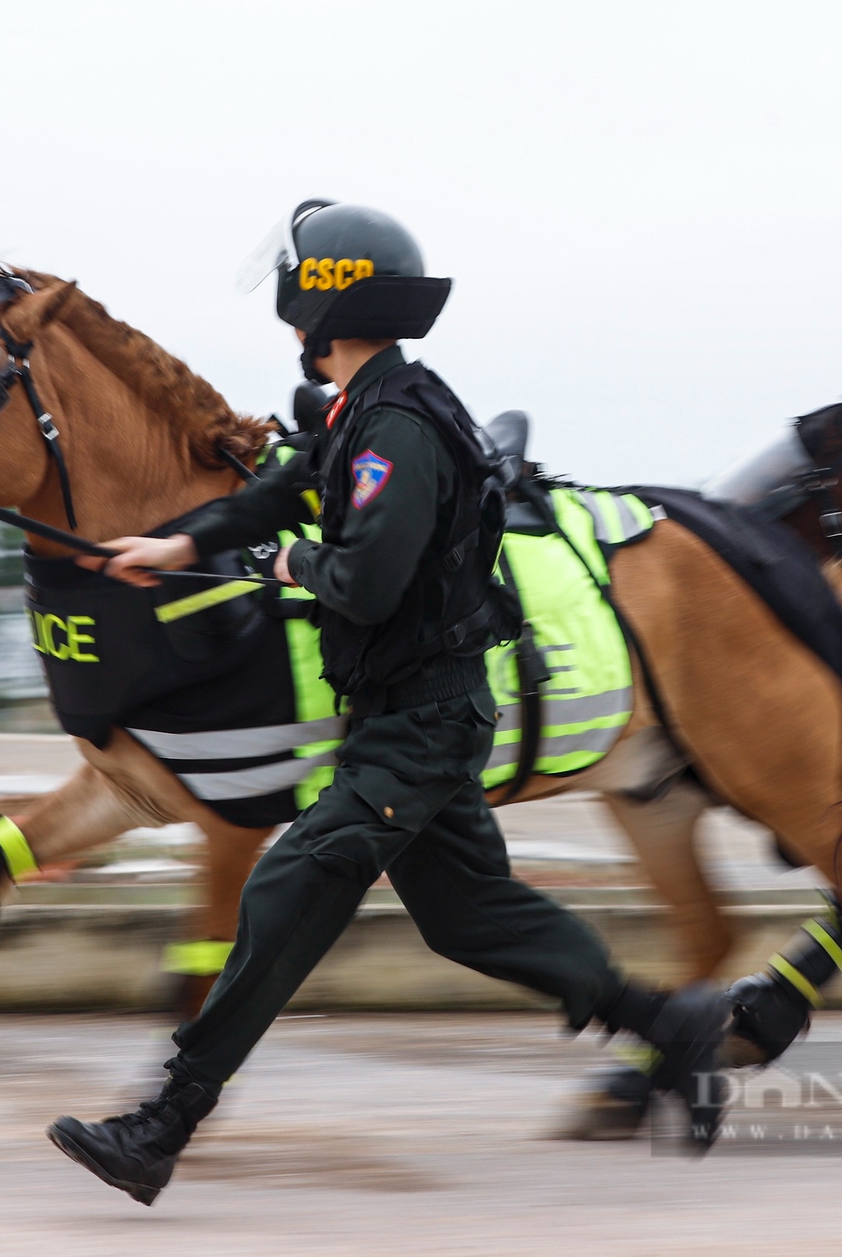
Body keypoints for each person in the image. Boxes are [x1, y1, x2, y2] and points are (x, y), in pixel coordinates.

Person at [44, 200, 729, 1205]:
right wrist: (182, 544)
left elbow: (361, 580)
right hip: (404, 712)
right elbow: (284, 491)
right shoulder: (362, 408)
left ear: (319, 301)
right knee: (473, 920)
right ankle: (674, 1025)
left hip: (423, 716)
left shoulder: (397, 429)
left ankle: (163, 1122)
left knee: (286, 886)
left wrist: (281, 563)